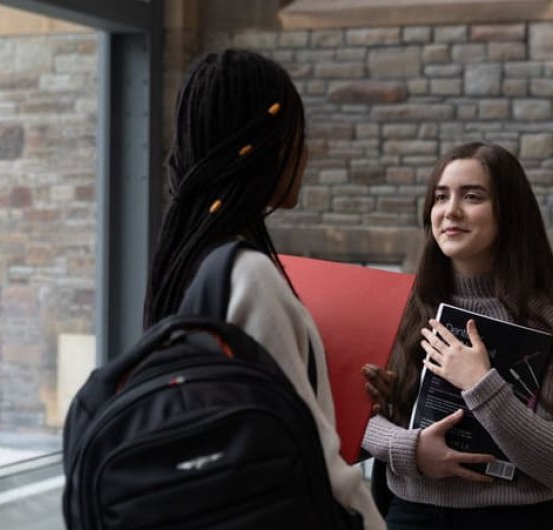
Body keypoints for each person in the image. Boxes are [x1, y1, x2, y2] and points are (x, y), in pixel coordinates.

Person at [143, 49, 384, 530]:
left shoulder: (188, 259)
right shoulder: (249, 277)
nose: (307, 153)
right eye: (300, 136)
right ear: (264, 145)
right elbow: (308, 457)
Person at [362, 142, 553, 530]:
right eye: (441, 197)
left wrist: (480, 382)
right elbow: (346, 420)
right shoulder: (404, 307)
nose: (451, 211)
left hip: (518, 519)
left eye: (472, 196)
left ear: (509, 212)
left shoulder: (547, 318)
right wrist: (411, 450)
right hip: (412, 514)